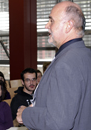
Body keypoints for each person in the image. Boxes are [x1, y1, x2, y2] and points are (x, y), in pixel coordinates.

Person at [16, 1, 91, 130]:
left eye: (51, 21)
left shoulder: (65, 63)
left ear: (68, 25)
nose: (47, 25)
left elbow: (58, 122)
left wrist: (26, 114)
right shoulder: (86, 55)